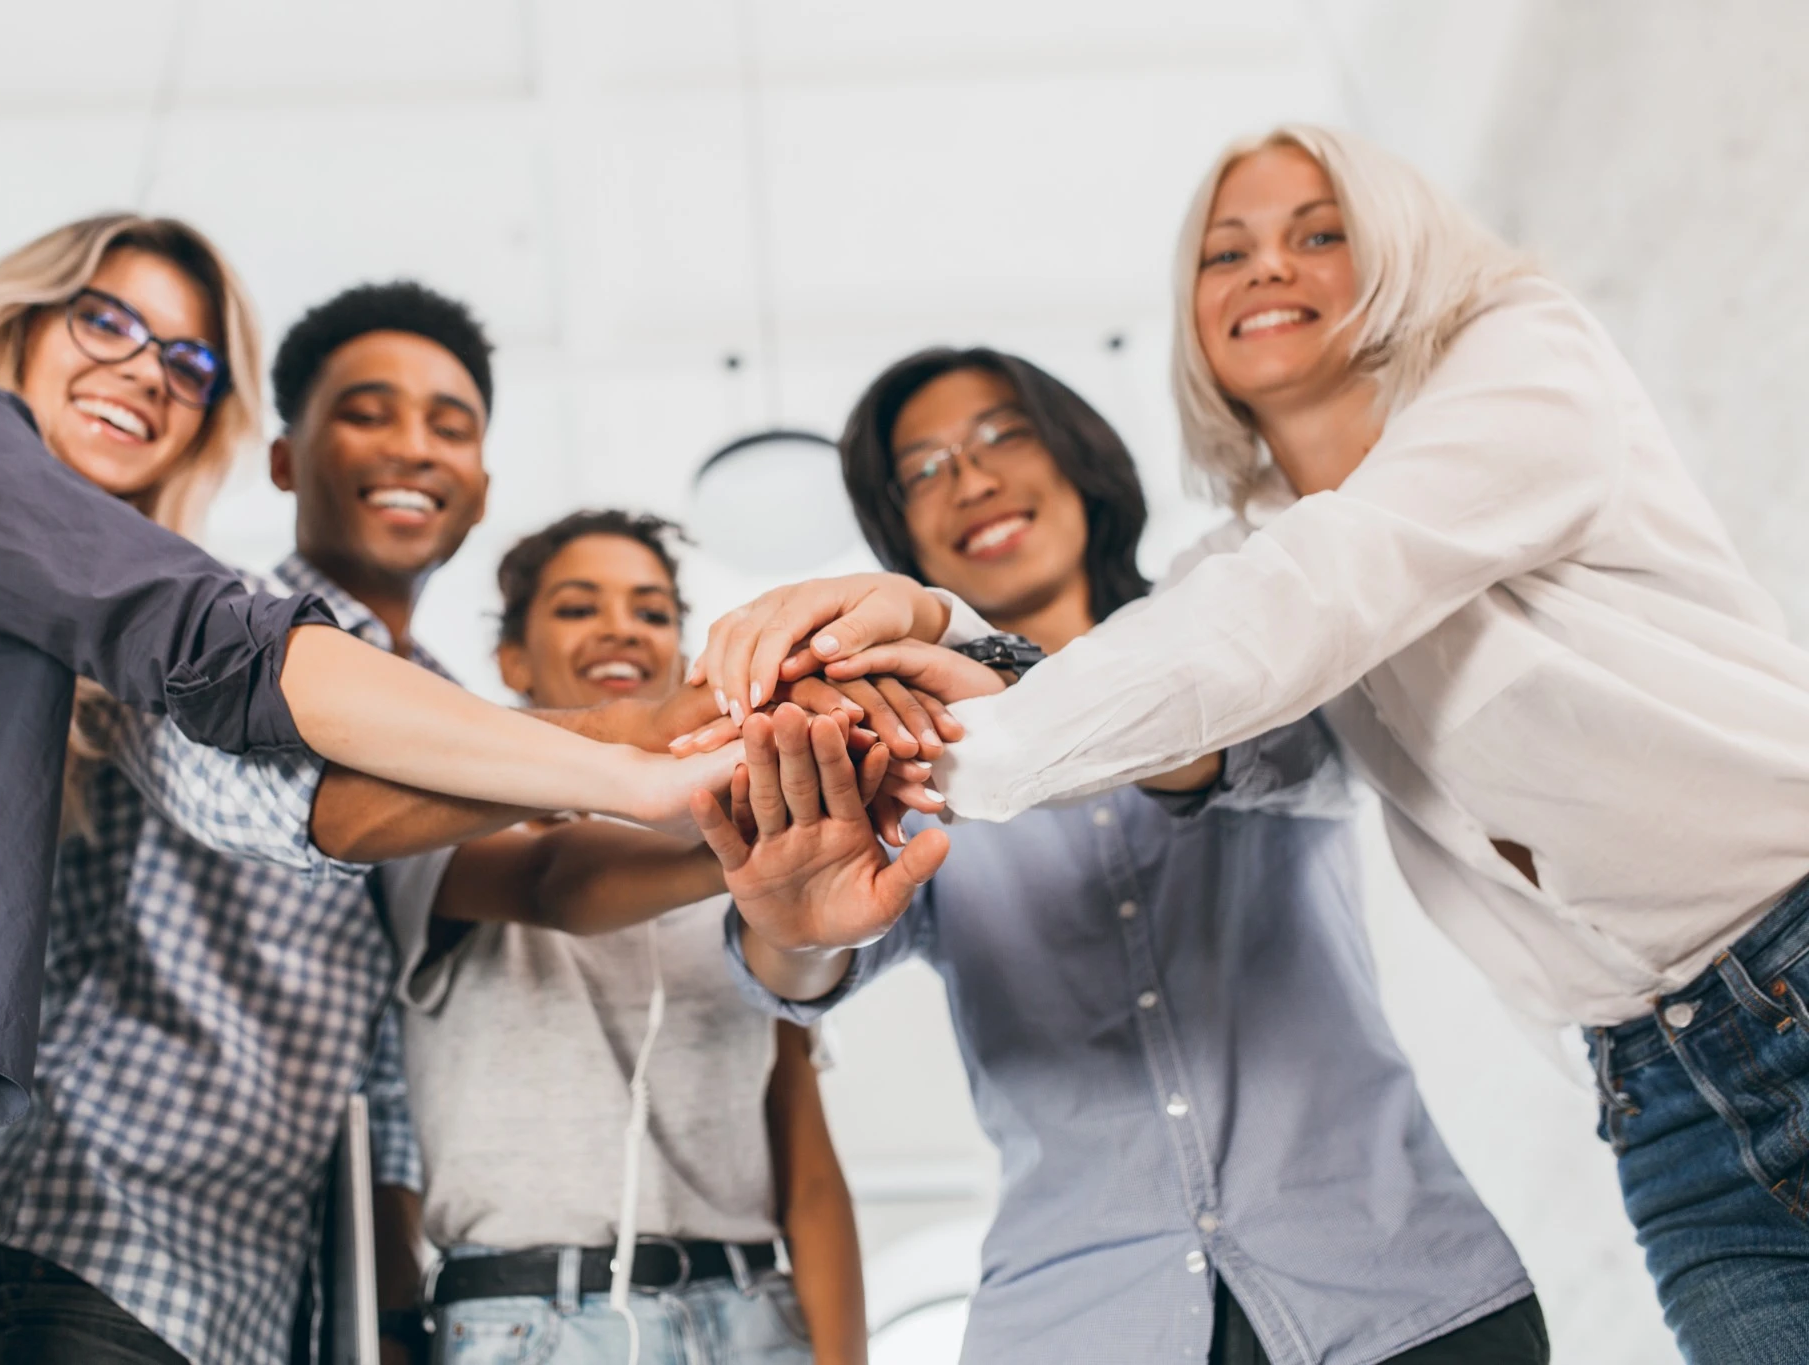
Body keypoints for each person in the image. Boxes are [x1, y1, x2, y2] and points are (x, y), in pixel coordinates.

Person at [689, 125, 1809, 1363]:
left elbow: (1294, 628)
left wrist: (958, 685)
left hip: (1724, 1011)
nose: (1266, 270)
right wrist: (795, 911)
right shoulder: (1223, 582)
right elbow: (814, 950)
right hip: (1643, 1088)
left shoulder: (1503, 378)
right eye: (1224, 254)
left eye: (1318, 234)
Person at [0, 217, 739, 1356]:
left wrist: (741, 798)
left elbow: (518, 874)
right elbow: (290, 788)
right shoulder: (117, 578)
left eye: (186, 360)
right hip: (77, 1246)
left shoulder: (403, 701)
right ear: (281, 454)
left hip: (236, 1299)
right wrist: (625, 748)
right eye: (106, 318)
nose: (145, 370)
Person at [700, 347, 1546, 1363]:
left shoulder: (1231, 628)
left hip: (1396, 1293)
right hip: (1077, 1321)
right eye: (920, 470)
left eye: (998, 435)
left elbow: (1247, 747)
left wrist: (1004, 675)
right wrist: (787, 932)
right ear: (900, 530)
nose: (967, 480)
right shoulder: (901, 753)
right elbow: (806, 968)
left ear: (1076, 458)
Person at [373, 509, 869, 1365]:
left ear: (679, 660)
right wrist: (747, 853)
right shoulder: (439, 831)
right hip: (530, 1325)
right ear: (512, 661)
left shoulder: (742, 899)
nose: (619, 627)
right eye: (577, 606)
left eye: (650, 610)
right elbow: (554, 881)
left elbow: (810, 1172)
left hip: (754, 1316)